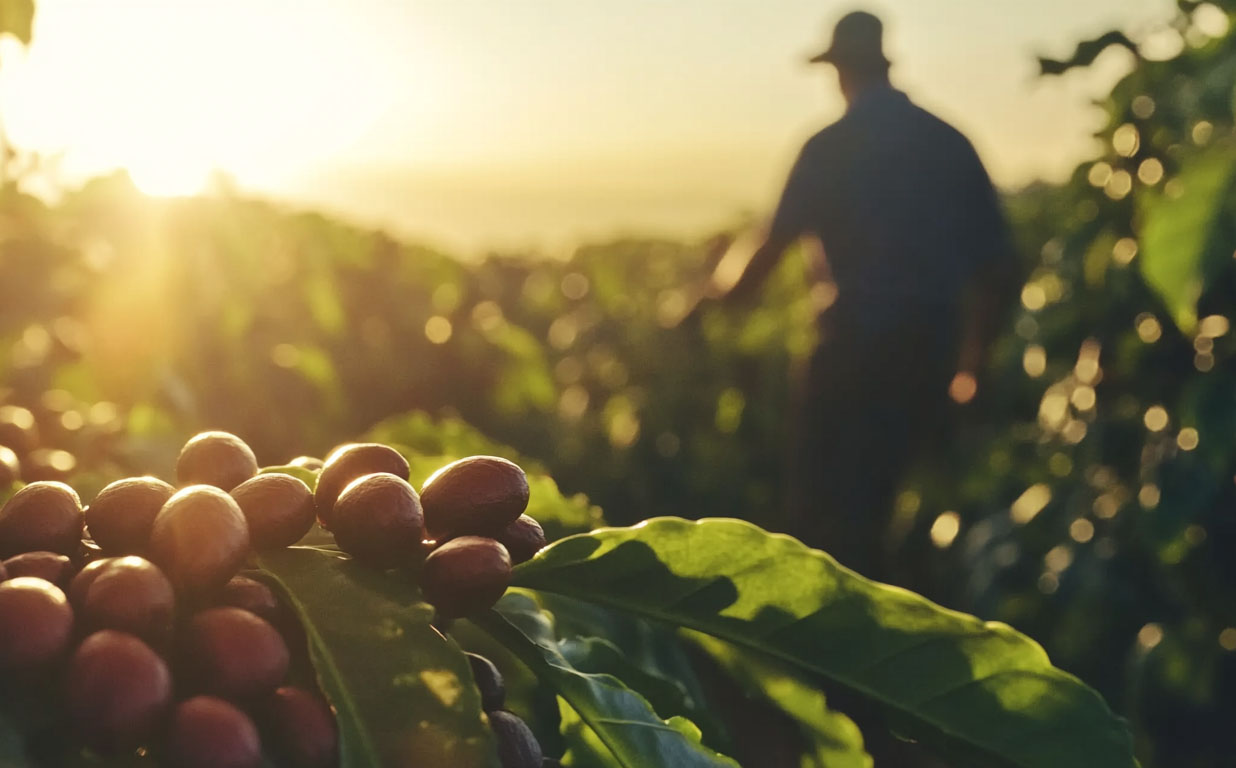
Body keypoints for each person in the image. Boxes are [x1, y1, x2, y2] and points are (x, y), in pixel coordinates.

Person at [692, 10, 1019, 578]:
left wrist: (710, 296)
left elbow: (767, 249)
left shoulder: (829, 147)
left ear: (840, 72)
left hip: (849, 353)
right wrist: (973, 367)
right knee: (910, 511)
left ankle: (817, 651)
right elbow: (999, 266)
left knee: (825, 520)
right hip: (930, 351)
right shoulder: (948, 142)